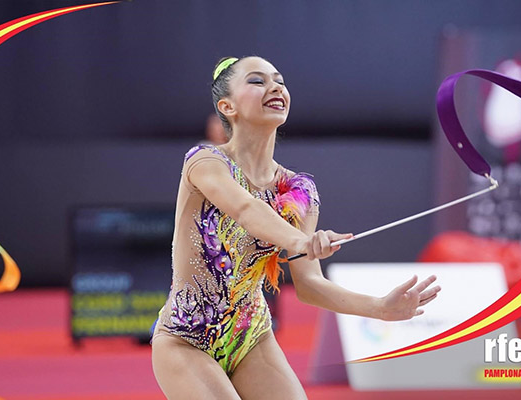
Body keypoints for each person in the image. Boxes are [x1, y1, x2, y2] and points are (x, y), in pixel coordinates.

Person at [150, 55, 441, 399]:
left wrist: (378, 308)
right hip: (186, 338)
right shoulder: (205, 161)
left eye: (279, 81)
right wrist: (301, 241)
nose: (275, 87)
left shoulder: (299, 190)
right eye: (257, 81)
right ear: (228, 107)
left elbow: (310, 285)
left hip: (252, 338)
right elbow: (245, 209)